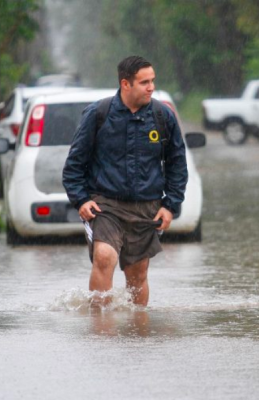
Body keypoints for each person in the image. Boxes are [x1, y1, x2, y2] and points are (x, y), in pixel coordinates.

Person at [61, 56, 188, 307]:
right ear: (125, 84)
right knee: (104, 257)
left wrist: (170, 205)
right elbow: (74, 164)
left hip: (146, 207)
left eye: (152, 81)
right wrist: (81, 200)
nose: (151, 87)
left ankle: (138, 329)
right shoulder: (98, 114)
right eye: (144, 82)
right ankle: (100, 328)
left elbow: (177, 165)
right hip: (106, 204)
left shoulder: (163, 116)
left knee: (137, 273)